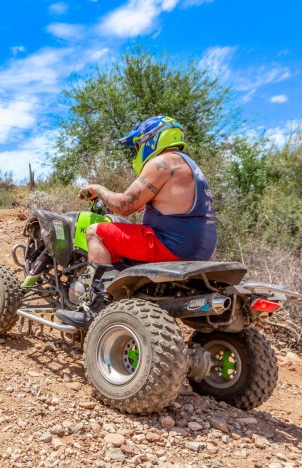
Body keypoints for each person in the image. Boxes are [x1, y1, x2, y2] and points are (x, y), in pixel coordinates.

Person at [56, 116, 217, 328]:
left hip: (170, 244)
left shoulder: (162, 162)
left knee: (96, 232)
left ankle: (94, 308)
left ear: (150, 140)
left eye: (138, 145)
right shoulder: (188, 165)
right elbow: (142, 205)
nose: (137, 151)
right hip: (200, 247)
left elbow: (124, 205)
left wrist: (98, 189)